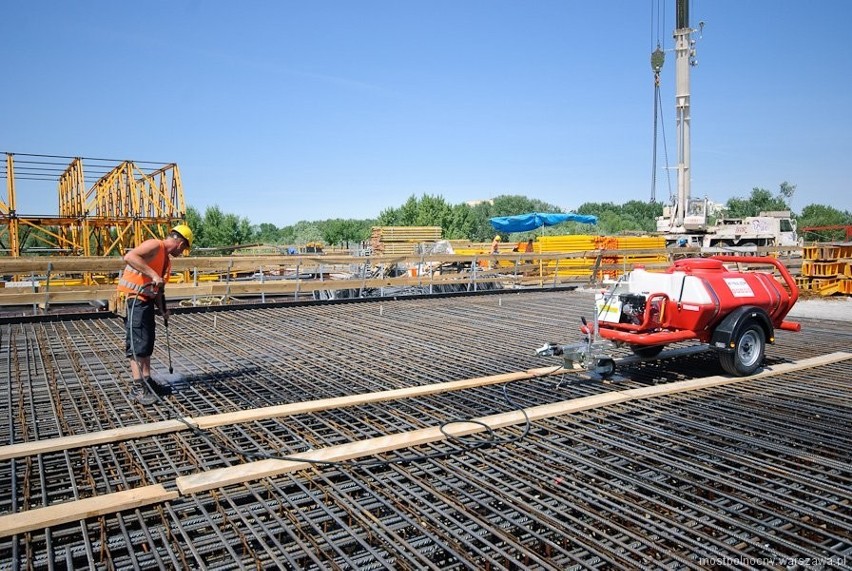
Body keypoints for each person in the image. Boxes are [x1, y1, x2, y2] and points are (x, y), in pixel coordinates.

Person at [117, 224, 193, 405]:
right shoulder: (154, 245)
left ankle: (147, 381)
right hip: (133, 299)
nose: (182, 253)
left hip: (146, 302)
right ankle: (137, 388)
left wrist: (162, 309)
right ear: (180, 243)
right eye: (184, 249)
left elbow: (159, 289)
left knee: (146, 342)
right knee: (136, 344)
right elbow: (129, 256)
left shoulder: (166, 260)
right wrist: (153, 275)